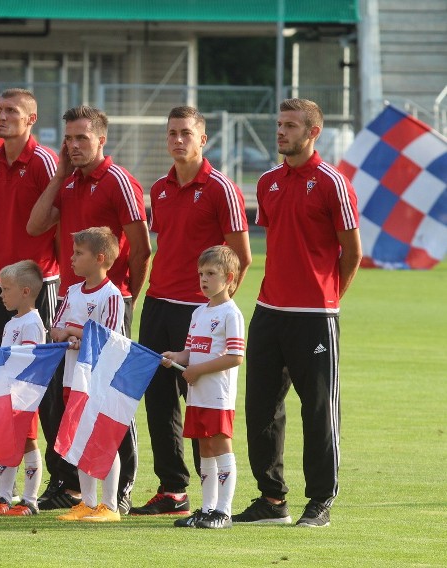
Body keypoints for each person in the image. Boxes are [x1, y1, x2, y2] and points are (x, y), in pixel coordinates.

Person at [232, 98, 362, 528]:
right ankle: (272, 500)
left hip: (314, 316)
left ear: (313, 132)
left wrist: (327, 297)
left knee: (319, 410)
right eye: (279, 125)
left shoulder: (332, 183)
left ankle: (320, 501)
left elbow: (352, 251)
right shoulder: (268, 181)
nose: (281, 132)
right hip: (269, 311)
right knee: (261, 408)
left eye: (290, 125)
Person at [27, 105, 151, 513]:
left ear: (101, 139)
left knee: (112, 398)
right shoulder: (69, 181)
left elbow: (141, 247)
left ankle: (123, 488)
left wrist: (126, 294)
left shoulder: (118, 181)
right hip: (71, 300)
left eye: (82, 138)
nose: (74, 145)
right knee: (71, 398)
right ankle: (73, 485)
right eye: (68, 138)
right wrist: (60, 174)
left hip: (111, 302)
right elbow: (36, 225)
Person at [131, 106, 251, 516]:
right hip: (158, 302)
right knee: (159, 399)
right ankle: (173, 490)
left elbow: (241, 257)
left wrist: (218, 308)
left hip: (197, 311)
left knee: (200, 402)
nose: (178, 140)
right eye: (171, 133)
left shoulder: (222, 188)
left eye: (186, 133)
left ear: (203, 139)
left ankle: (214, 503)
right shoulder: (160, 188)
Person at [0, 88, 60, 504]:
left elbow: (56, 222)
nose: (2, 117)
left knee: (44, 386)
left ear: (31, 119)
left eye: (11, 112)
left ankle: (58, 478)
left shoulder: (45, 162)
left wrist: (40, 278)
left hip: (40, 285)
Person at [162, 245, 245, 529]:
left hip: (217, 395)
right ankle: (207, 509)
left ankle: (224, 511)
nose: (204, 279)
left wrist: (197, 369)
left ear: (229, 277)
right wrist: (177, 357)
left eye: (211, 273)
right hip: (198, 394)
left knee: (220, 446)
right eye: (201, 274)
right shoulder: (198, 312)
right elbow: (190, 352)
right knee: (204, 448)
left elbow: (235, 357)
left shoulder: (231, 314)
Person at [51, 227, 125, 523]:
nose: (71, 258)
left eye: (79, 253)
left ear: (100, 258)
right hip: (74, 377)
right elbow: (56, 330)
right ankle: (88, 502)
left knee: (103, 438)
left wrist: (73, 333)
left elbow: (106, 339)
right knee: (81, 436)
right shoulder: (70, 292)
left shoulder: (112, 295)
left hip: (99, 379)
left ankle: (110, 506)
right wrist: (73, 335)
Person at [0, 260, 47, 517]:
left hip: (25, 395)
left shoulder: (32, 322)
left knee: (28, 442)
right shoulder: (11, 323)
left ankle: (30, 500)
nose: (1, 295)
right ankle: (4, 496)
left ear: (25, 291)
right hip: (5, 394)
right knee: (7, 444)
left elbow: (28, 359)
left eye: (6, 289)